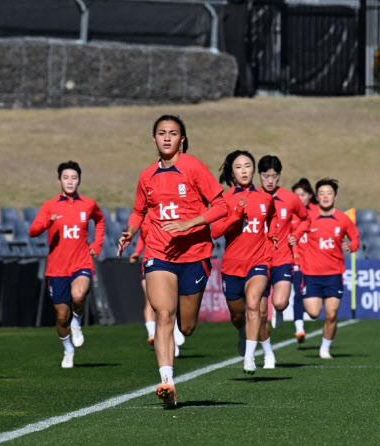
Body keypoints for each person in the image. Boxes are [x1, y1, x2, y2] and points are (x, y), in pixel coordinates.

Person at [118, 115, 228, 406]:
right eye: (161, 133)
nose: (167, 138)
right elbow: (138, 212)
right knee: (163, 314)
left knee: (187, 326)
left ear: (182, 139)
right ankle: (167, 382)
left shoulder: (193, 167)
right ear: (153, 138)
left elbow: (221, 205)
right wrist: (130, 232)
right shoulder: (146, 176)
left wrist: (190, 223)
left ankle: (180, 331)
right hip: (159, 253)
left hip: (195, 254)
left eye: (173, 133)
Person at [29, 161, 105, 369]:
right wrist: (47, 222)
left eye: (74, 177)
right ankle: (68, 349)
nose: (70, 181)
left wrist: (96, 244)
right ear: (59, 180)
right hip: (57, 268)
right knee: (61, 316)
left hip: (81, 262)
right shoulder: (50, 206)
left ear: (79, 180)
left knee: (79, 296)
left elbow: (100, 220)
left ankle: (77, 321)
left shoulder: (88, 204)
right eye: (66, 177)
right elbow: (33, 231)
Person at [211, 150, 277, 374]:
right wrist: (236, 213)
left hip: (259, 262)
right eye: (239, 167)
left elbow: (273, 218)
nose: (244, 171)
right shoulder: (224, 199)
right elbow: (215, 231)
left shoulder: (265, 198)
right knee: (238, 315)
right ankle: (242, 333)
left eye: (248, 166)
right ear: (232, 171)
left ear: (253, 169)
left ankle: (249, 358)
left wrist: (275, 235)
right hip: (232, 266)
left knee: (254, 307)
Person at [300, 178, 359, 359]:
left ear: (335, 196)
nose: (325, 197)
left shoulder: (343, 219)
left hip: (334, 274)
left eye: (329, 193)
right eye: (322, 193)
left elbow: (355, 238)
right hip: (311, 274)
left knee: (331, 314)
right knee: (313, 312)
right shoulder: (308, 217)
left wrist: (352, 246)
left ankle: (325, 348)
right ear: (316, 197)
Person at [257, 156, 309, 342]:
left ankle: (279, 310)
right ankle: (264, 351)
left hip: (283, 258)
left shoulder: (291, 198)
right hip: (259, 259)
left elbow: (306, 219)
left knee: (279, 302)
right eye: (266, 176)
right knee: (260, 312)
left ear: (279, 176)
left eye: (274, 176)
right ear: (259, 175)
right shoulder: (252, 196)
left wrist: (297, 234)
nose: (270, 181)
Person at [129, 218, 185, 356]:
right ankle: (151, 332)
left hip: (170, 263)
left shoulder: (169, 215)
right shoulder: (144, 219)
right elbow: (143, 237)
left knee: (170, 304)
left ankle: (175, 332)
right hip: (150, 264)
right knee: (151, 301)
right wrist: (137, 252)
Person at [290, 177, 318, 343]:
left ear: (309, 195)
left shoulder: (317, 212)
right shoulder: (289, 214)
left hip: (316, 263)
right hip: (297, 261)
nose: (299, 198)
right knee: (298, 294)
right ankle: (299, 329)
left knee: (313, 299)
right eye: (296, 195)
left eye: (302, 194)